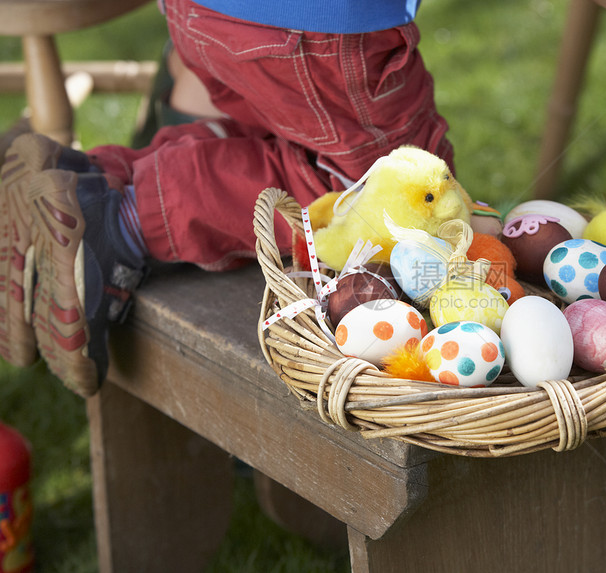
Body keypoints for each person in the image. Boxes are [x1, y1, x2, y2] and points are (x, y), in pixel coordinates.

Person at [0, 0, 456, 397]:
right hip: (319, 23)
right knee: (386, 194)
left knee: (284, 128)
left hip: (204, 12)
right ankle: (120, 221)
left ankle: (96, 176)